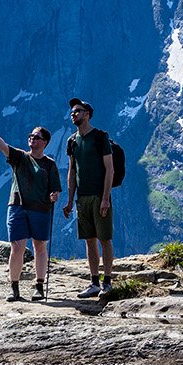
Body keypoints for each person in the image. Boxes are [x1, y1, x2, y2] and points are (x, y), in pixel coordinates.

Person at [0, 118, 62, 301]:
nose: (32, 139)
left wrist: (54, 196)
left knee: (39, 246)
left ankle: (39, 285)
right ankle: (14, 288)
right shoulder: (20, 157)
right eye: (31, 136)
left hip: (40, 208)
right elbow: (3, 146)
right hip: (18, 206)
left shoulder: (50, 164)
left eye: (37, 137)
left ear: (45, 143)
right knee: (17, 247)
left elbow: (55, 188)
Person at [62, 98, 115, 297]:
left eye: (77, 111)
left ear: (87, 114)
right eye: (72, 112)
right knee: (89, 240)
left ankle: (107, 282)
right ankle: (94, 282)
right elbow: (72, 172)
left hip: (99, 196)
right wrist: (69, 200)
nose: (73, 114)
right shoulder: (72, 141)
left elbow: (110, 169)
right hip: (82, 198)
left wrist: (105, 198)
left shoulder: (100, 137)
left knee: (105, 239)